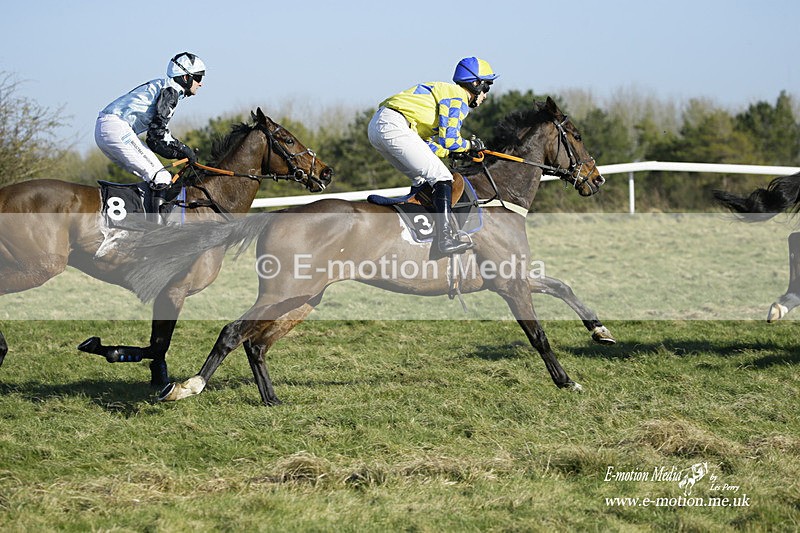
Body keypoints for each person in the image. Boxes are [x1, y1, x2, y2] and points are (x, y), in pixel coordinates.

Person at [368, 56, 497, 253]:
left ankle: (418, 230)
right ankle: (444, 239)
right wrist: (470, 145)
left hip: (380, 127)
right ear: (476, 83)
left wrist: (456, 153)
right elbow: (451, 140)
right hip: (394, 125)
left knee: (423, 179)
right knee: (443, 177)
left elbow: (427, 147)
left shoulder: (446, 93)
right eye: (486, 87)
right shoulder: (457, 96)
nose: (486, 95)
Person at [95, 52, 206, 221]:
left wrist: (181, 150)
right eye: (198, 77)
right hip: (115, 128)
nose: (201, 83)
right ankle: (155, 235)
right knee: (161, 176)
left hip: (110, 127)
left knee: (152, 179)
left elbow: (158, 135)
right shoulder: (170, 92)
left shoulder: (165, 87)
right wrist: (184, 150)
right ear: (185, 77)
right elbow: (156, 137)